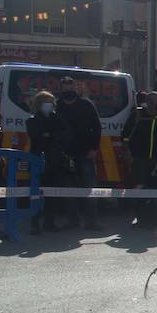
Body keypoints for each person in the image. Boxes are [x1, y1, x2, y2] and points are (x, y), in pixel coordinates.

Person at [55, 74, 103, 230]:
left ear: (75, 88)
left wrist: (94, 148)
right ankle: (73, 221)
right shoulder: (57, 106)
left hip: (86, 153)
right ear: (60, 89)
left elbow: (96, 127)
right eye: (65, 87)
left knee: (90, 189)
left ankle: (92, 221)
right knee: (69, 190)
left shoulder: (86, 105)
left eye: (70, 87)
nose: (68, 90)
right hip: (66, 154)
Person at [122, 90, 157, 229]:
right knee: (139, 188)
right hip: (139, 159)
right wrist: (128, 152)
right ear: (149, 102)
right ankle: (141, 219)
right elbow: (126, 135)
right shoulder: (137, 115)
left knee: (156, 189)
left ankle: (155, 219)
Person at [26, 90, 70, 233]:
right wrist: (51, 135)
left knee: (53, 192)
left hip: (55, 160)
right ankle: (34, 223)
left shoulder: (57, 118)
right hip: (38, 159)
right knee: (36, 193)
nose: (49, 105)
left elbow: (64, 135)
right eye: (46, 103)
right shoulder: (32, 119)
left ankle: (49, 222)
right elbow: (37, 136)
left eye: (51, 103)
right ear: (39, 104)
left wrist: (49, 135)